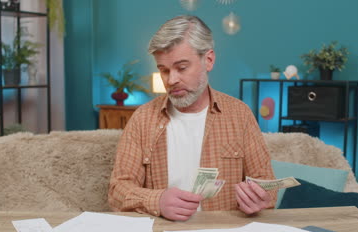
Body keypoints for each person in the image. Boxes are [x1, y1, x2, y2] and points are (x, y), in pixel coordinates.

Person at [108, 15, 276, 221]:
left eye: (182, 68)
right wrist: (157, 201)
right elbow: (117, 191)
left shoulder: (240, 115)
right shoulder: (142, 119)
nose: (172, 80)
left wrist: (259, 200)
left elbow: (267, 186)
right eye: (164, 70)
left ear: (209, 60)